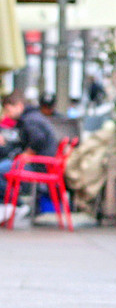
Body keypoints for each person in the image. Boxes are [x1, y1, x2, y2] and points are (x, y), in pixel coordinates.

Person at [0, 91, 59, 220]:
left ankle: (17, 205)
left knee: (1, 170)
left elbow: (38, 139)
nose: (7, 114)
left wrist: (27, 154)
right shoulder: (30, 117)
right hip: (40, 163)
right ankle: (11, 204)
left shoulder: (30, 119)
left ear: (19, 105)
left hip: (39, 165)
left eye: (8, 110)